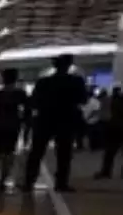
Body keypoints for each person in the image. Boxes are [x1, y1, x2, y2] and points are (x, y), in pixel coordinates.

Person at [23, 54, 88, 193]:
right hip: (66, 120)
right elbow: (83, 99)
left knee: (37, 151)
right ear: (69, 65)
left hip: (44, 120)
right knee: (64, 153)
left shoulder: (43, 82)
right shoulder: (76, 81)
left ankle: (28, 182)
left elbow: (34, 101)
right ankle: (61, 183)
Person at [0, 69, 28, 191]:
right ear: (15, 79)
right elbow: (27, 111)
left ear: (3, 79)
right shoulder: (21, 94)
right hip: (12, 126)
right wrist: (22, 121)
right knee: (8, 153)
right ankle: (2, 181)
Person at [97, 85, 123, 179]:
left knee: (110, 152)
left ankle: (106, 172)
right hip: (117, 127)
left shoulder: (109, 100)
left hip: (113, 128)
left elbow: (104, 115)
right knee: (110, 152)